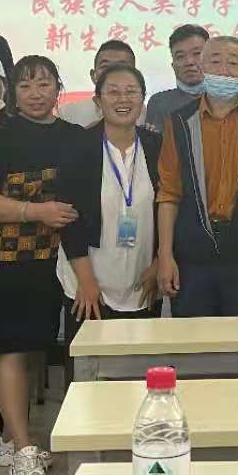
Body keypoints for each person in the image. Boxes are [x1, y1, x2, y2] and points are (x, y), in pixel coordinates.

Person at [0, 56, 82, 475]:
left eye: (44, 84)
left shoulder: (75, 137)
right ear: (13, 93)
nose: (35, 94)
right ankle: (22, 449)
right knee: (13, 349)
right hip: (8, 258)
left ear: (58, 87)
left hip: (56, 259)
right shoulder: (0, 137)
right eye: (25, 86)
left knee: (36, 347)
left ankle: (7, 437)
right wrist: (37, 211)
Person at [156, 35, 238, 317]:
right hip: (192, 256)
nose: (224, 70)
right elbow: (169, 193)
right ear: (202, 68)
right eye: (215, 62)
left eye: (233, 63)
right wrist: (165, 256)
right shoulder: (178, 121)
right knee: (193, 337)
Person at [59, 63, 163, 331]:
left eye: (131, 91)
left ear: (143, 99)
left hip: (143, 280)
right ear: (98, 101)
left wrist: (160, 260)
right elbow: (69, 219)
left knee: (140, 356)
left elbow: (169, 207)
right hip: (88, 283)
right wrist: (86, 281)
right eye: (113, 92)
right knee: (91, 356)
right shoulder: (78, 147)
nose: (123, 99)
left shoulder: (156, 146)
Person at [144, 24, 208, 132]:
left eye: (197, 53)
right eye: (180, 56)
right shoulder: (159, 103)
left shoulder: (229, 100)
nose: (189, 62)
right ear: (173, 65)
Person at [60, 40, 140, 125]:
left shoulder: (143, 114)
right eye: (105, 67)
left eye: (121, 67)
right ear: (93, 75)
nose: (112, 73)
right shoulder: (68, 113)